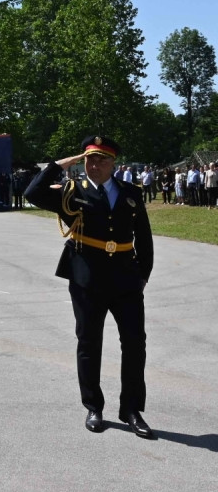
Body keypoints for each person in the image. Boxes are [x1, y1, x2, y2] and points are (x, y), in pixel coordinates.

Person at [24, 135, 154, 439]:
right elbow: (33, 192)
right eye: (89, 159)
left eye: (101, 160)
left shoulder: (131, 193)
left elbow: (144, 240)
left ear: (113, 164)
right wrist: (61, 164)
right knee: (89, 343)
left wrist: (143, 276)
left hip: (125, 279)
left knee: (135, 344)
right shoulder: (71, 191)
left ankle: (132, 410)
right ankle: (93, 406)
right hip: (87, 279)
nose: (94, 165)